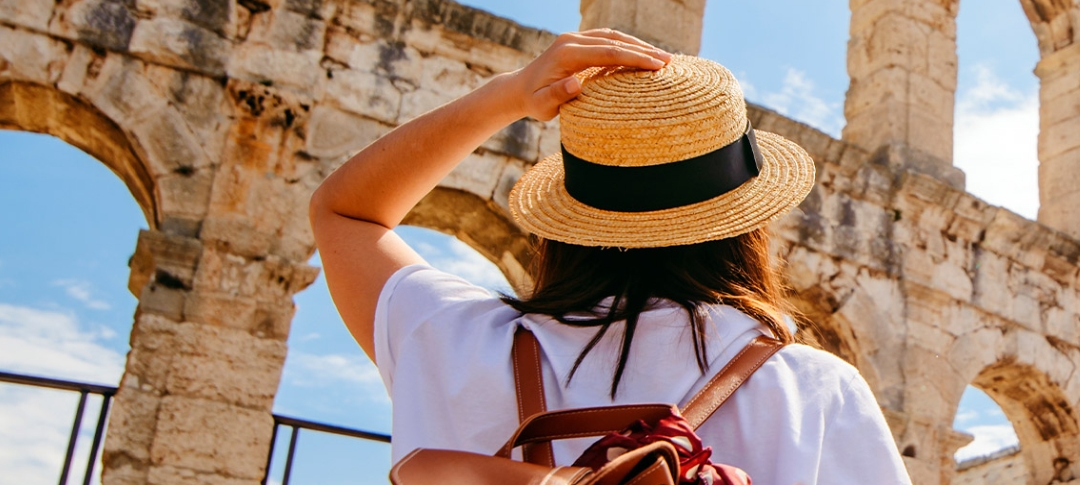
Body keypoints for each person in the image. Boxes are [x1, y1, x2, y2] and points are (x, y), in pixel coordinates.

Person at [309, 28, 911, 483]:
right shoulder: (814, 391)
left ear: (565, 220)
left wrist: (509, 95)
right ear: (747, 223)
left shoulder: (449, 339)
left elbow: (344, 211)